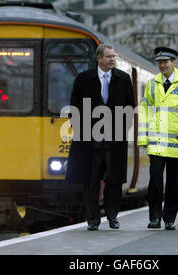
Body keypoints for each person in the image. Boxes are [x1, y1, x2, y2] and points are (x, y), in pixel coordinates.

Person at [65, 44, 135, 231]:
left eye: (114, 56)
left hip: (114, 139)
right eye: (109, 56)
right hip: (89, 140)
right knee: (91, 180)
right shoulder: (83, 79)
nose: (112, 59)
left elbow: (130, 107)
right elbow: (74, 106)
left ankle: (112, 217)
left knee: (113, 180)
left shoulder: (123, 79)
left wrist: (121, 130)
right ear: (99, 58)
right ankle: (93, 219)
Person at [137, 47, 178, 230]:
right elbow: (145, 111)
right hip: (156, 143)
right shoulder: (151, 84)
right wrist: (143, 138)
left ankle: (169, 218)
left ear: (173, 62)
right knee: (155, 181)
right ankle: (154, 218)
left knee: (174, 183)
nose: (162, 65)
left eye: (166, 61)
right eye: (159, 62)